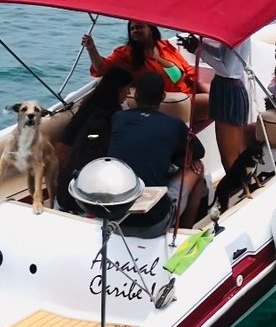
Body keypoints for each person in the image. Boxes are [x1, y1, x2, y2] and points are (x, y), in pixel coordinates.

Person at [106, 71, 207, 226]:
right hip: (153, 222)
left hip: (113, 217)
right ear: (163, 97)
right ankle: (186, 230)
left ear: (136, 95)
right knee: (197, 167)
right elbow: (199, 152)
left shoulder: (118, 118)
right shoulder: (174, 125)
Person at [82, 20, 209, 122]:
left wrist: (204, 88)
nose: (135, 31)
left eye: (139, 27)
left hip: (189, 91)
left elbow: (189, 71)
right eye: (132, 29)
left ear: (151, 29)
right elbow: (102, 68)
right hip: (171, 100)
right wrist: (91, 48)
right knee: (217, 102)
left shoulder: (164, 46)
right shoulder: (126, 54)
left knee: (221, 92)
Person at [181, 33, 251, 171]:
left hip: (227, 91)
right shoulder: (240, 31)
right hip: (231, 89)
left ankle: (236, 187)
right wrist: (201, 46)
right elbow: (223, 54)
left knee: (228, 155)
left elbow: (227, 70)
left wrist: (198, 51)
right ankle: (242, 185)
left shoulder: (236, 34)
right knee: (237, 149)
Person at [56, 66, 133, 160]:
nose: (129, 93)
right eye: (127, 88)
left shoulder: (88, 106)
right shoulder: (111, 117)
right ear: (118, 89)